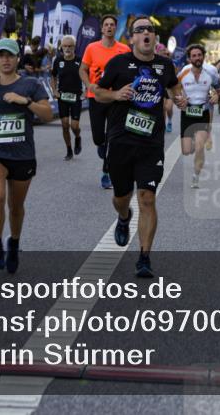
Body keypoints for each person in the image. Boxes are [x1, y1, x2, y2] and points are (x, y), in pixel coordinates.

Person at [94, 16, 185, 278]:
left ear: (155, 38)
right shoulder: (118, 64)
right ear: (132, 38)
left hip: (151, 143)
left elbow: (174, 86)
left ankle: (144, 257)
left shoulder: (165, 65)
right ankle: (124, 217)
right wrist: (115, 95)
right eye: (140, 30)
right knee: (121, 197)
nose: (146, 33)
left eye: (150, 30)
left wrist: (179, 98)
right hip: (121, 141)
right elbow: (98, 92)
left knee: (147, 197)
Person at [0, 39, 54, 273]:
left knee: (16, 206)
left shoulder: (31, 84)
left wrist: (25, 101)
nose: (5, 60)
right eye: (1, 56)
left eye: (10, 56)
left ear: (18, 58)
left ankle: (14, 243)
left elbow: (47, 114)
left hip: (22, 153)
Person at [81, 15, 131, 190]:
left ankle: (106, 172)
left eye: (112, 25)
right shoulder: (91, 48)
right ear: (102, 29)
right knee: (98, 138)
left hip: (115, 98)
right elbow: (83, 69)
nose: (109, 27)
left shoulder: (124, 49)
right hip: (96, 97)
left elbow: (129, 71)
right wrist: (89, 85)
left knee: (113, 136)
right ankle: (101, 146)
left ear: (115, 28)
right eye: (106, 25)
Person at [177, 44, 220, 189]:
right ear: (189, 58)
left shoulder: (211, 73)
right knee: (187, 150)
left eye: (199, 55)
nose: (197, 58)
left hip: (203, 112)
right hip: (187, 113)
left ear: (203, 56)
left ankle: (196, 176)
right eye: (194, 56)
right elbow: (174, 89)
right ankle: (193, 142)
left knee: (200, 147)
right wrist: (180, 98)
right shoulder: (183, 72)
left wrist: (217, 96)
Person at [51, 35, 83, 161]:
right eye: (65, 46)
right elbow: (53, 77)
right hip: (62, 96)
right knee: (65, 125)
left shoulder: (80, 60)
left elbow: (87, 76)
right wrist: (54, 91)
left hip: (76, 96)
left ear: (74, 47)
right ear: (61, 47)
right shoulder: (58, 60)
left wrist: (86, 91)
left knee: (74, 126)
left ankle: (78, 137)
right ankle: (69, 150)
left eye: (70, 46)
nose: (67, 48)